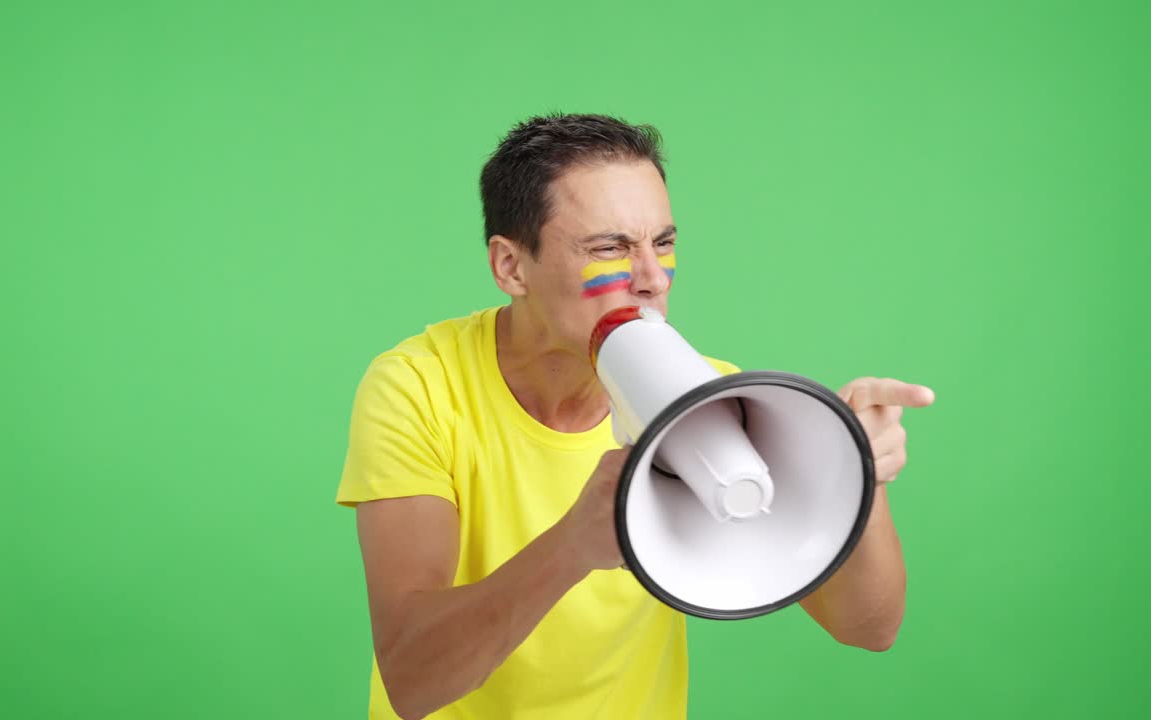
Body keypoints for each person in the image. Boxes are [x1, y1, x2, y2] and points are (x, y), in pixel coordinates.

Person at [335, 113, 935, 720]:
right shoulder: (418, 388)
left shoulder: (722, 404)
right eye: (609, 248)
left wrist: (858, 469)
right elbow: (411, 680)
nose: (651, 279)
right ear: (512, 267)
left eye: (664, 243)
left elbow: (869, 628)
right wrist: (573, 545)